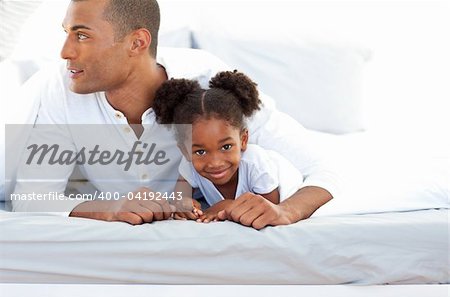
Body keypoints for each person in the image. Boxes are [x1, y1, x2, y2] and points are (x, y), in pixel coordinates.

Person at [12, 0, 337, 229]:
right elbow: (31, 198)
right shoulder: (61, 84)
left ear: (137, 42)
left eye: (82, 35)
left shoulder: (211, 85)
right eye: (67, 33)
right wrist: (108, 208)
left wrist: (286, 211)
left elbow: (323, 169)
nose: (65, 51)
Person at [152, 70, 304, 223]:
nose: (215, 162)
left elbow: (269, 210)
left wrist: (226, 205)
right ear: (185, 151)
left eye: (226, 147)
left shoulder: (256, 164)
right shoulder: (189, 165)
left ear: (243, 140)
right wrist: (184, 205)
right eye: (201, 151)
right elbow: (180, 199)